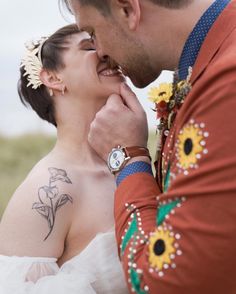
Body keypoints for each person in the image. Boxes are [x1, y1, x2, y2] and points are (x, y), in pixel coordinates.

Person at [64, 0, 236, 293]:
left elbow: (163, 283)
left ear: (127, 9)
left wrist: (127, 157)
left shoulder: (226, 82)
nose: (101, 52)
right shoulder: (212, 63)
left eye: (93, 32)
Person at [0, 23, 129, 293]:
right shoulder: (48, 188)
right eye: (90, 47)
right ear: (54, 78)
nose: (107, 52)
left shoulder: (131, 164)